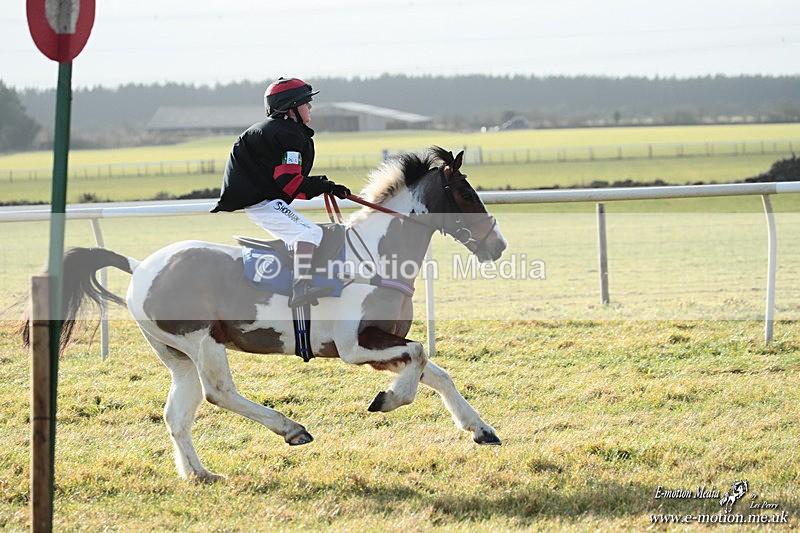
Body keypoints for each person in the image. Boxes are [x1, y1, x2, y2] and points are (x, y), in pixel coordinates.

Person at [211, 77, 350, 307]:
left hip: (266, 200)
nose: (311, 107)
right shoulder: (289, 135)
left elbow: (291, 186)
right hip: (263, 204)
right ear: (291, 108)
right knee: (310, 234)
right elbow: (289, 181)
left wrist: (323, 186)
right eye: (306, 103)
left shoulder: (282, 131)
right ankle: (301, 288)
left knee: (309, 232)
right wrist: (324, 186)